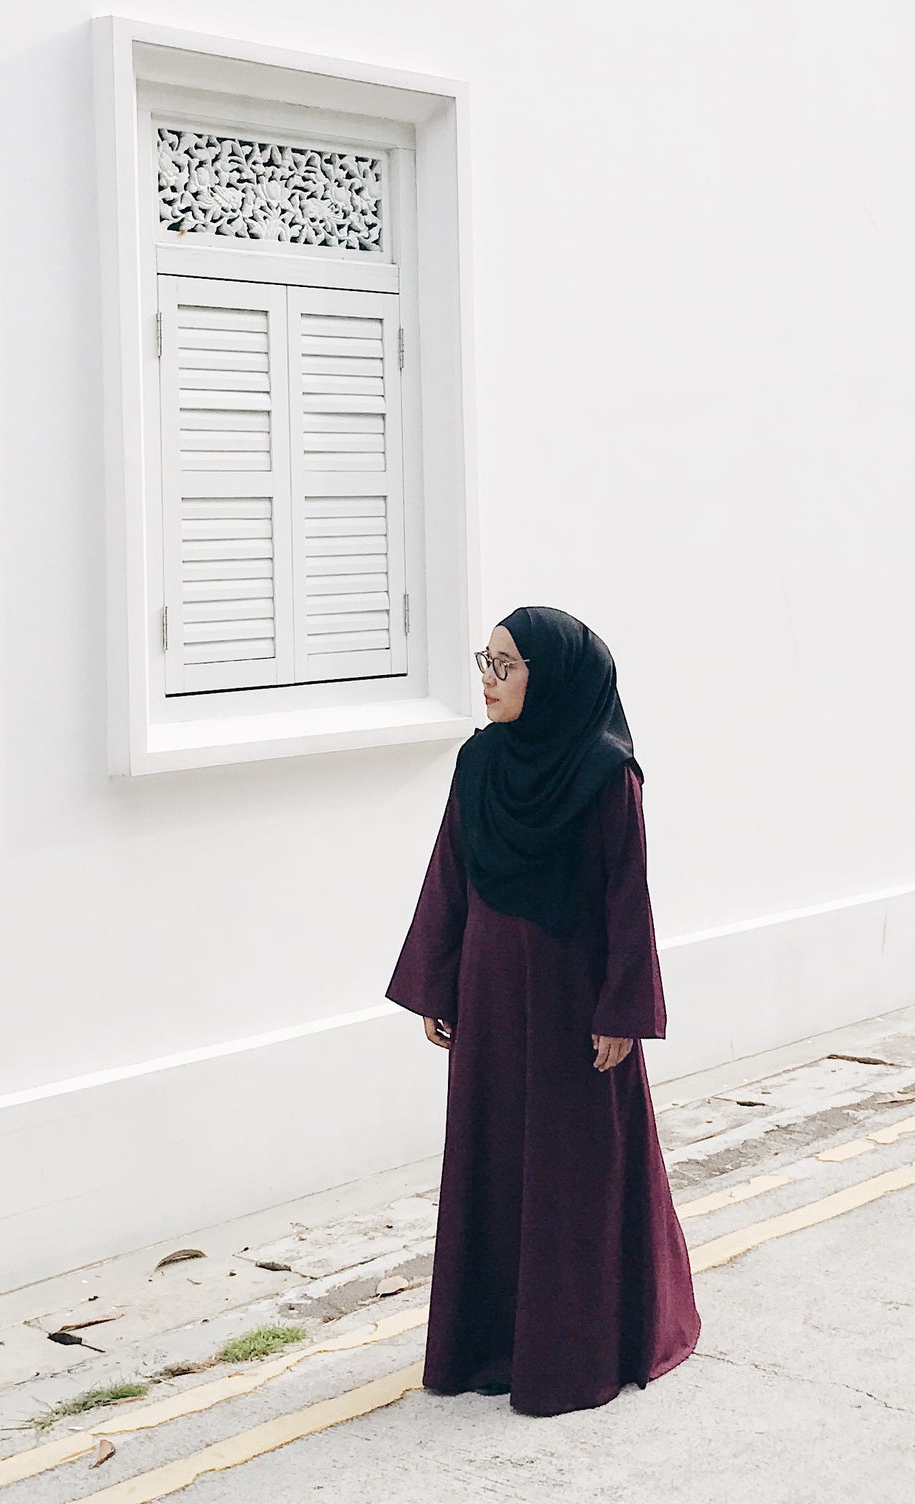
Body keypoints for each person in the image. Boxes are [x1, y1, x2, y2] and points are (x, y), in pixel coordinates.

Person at [386, 606, 701, 1416]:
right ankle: (488, 1345)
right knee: (494, 1159)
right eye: (484, 663)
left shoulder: (605, 772)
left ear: (551, 677)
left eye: (506, 667)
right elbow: (450, 870)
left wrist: (622, 1012)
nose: (487, 683)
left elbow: (628, 898)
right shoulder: (480, 762)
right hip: (492, 994)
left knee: (576, 1170)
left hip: (573, 1003)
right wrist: (438, 980)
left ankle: (583, 1350)